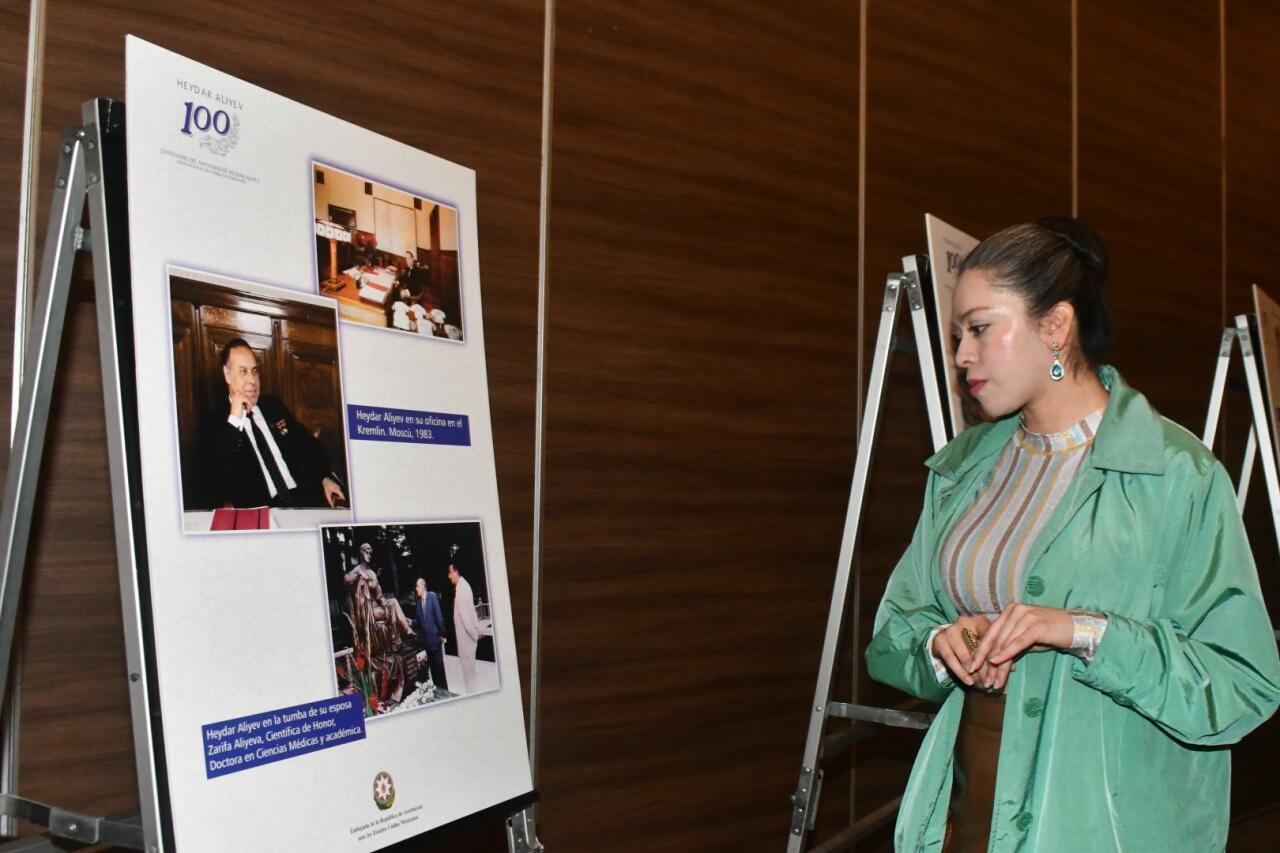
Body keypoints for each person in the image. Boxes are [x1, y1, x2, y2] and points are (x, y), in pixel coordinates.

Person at [865, 217, 1280, 852]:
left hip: (1105, 826)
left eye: (980, 329)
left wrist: (1085, 631)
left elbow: (1240, 683)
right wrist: (941, 644)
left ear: (1056, 326)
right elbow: (893, 632)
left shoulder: (1177, 475)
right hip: (964, 814)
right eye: (956, 336)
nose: (962, 356)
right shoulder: (960, 470)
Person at [199, 338, 346, 509]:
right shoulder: (216, 422)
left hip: (302, 500)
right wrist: (235, 420)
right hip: (262, 511)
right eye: (243, 372)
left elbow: (307, 444)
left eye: (255, 371)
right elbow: (214, 482)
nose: (252, 380)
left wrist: (324, 478)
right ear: (227, 375)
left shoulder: (273, 406)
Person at [448, 563, 485, 693]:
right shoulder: (464, 586)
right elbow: (472, 611)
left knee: (470, 681)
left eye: (450, 572)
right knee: (471, 678)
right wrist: (478, 629)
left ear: (456, 572)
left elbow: (466, 618)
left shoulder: (462, 589)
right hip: (467, 642)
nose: (449, 576)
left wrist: (475, 634)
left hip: (467, 642)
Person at [413, 577, 448, 690]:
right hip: (427, 644)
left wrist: (442, 634)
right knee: (433, 671)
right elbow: (419, 621)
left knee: (440, 670)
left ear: (423, 586)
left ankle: (445, 692)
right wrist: (411, 622)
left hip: (435, 640)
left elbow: (439, 617)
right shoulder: (418, 603)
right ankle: (438, 692)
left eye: (417, 586)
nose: (416, 588)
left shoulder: (432, 597)